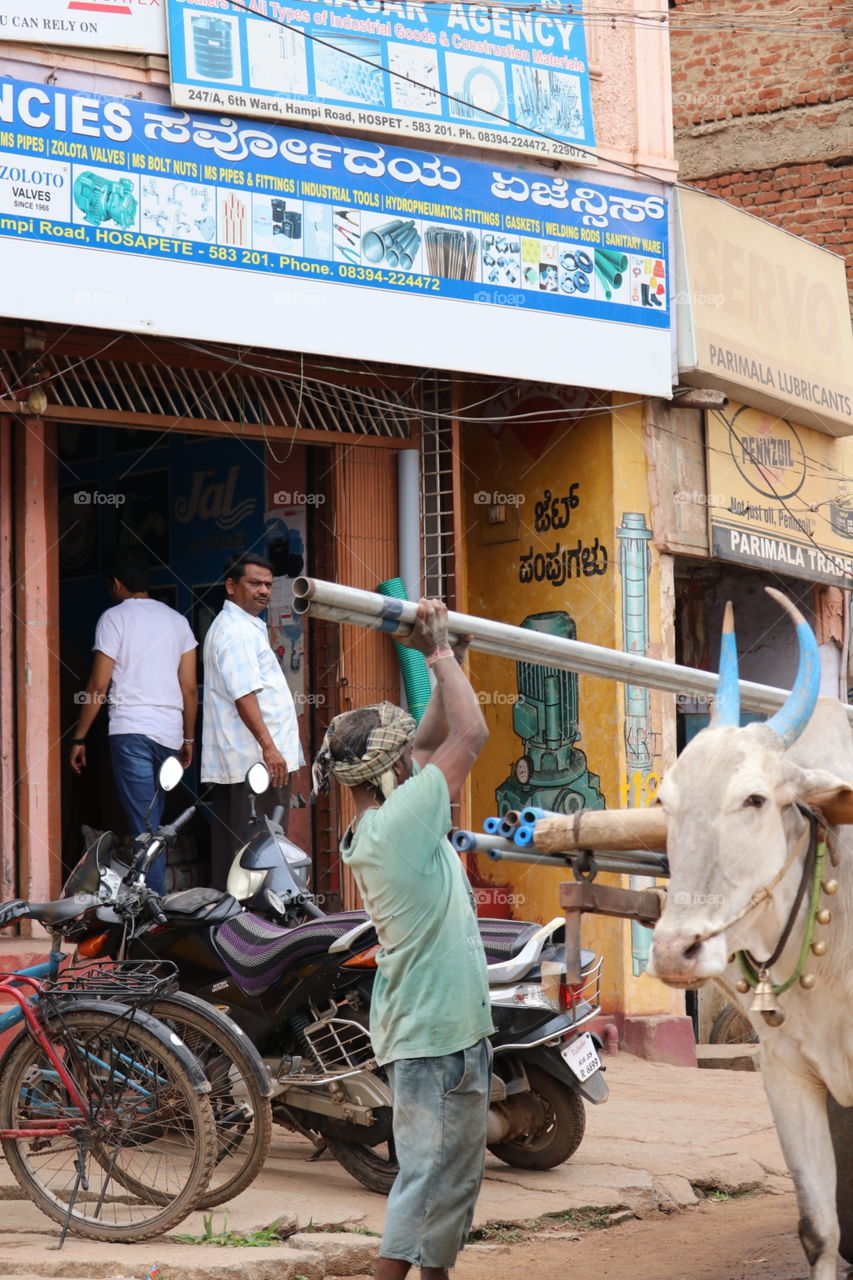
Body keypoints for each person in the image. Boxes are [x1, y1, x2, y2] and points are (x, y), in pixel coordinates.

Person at [312, 599, 493, 1280]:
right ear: (388, 776)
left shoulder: (381, 823)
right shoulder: (401, 825)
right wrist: (440, 652)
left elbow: (425, 742)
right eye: (403, 759)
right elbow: (467, 733)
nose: (413, 761)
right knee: (423, 1180)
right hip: (434, 1034)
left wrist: (445, 654)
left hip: (443, 1026)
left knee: (449, 1183)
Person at [69, 549, 197, 894]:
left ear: (115, 584)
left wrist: (79, 737)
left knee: (145, 825)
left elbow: (97, 686)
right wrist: (188, 741)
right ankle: (152, 899)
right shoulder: (178, 621)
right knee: (153, 821)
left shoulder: (114, 618)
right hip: (169, 734)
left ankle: (150, 904)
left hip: (131, 732)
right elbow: (189, 689)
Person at [201, 553, 303, 887]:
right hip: (255, 763)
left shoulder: (243, 627)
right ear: (231, 586)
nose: (264, 591)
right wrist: (270, 749)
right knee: (258, 849)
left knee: (247, 846)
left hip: (250, 761)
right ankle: (253, 930)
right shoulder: (236, 633)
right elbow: (245, 695)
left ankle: (239, 926)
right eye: (254, 583)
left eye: (268, 585)